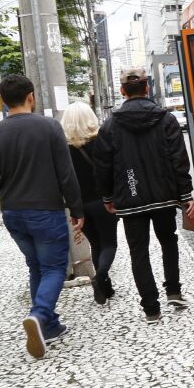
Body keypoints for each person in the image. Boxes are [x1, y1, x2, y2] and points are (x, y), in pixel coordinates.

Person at [0, 75, 84, 359]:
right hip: (45, 210)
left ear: (4, 101)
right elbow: (66, 174)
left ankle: (50, 327)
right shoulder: (49, 127)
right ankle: (39, 316)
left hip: (14, 213)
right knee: (53, 268)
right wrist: (77, 210)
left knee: (35, 267)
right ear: (31, 96)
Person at [94, 67, 194, 323]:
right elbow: (179, 160)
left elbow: (103, 166)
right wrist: (185, 195)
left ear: (122, 91)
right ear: (147, 87)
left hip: (130, 198)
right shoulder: (165, 119)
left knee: (138, 252)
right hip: (164, 196)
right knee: (168, 241)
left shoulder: (110, 126)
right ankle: (173, 290)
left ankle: (151, 308)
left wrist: (107, 197)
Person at [62, 101, 119, 305]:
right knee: (109, 243)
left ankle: (106, 288)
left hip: (80, 206)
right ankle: (100, 276)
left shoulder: (64, 150)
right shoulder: (101, 142)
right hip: (104, 202)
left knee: (96, 244)